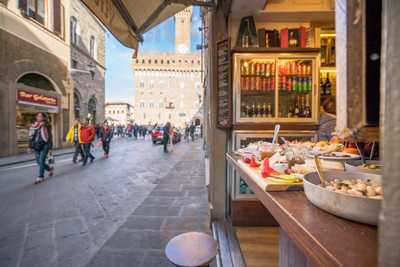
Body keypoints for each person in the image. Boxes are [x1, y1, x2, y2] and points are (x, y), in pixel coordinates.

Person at [28, 112, 53, 184]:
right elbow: (31, 137)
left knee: (41, 161)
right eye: (38, 116)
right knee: (38, 162)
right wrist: (29, 146)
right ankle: (50, 169)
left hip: (44, 145)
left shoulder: (47, 125)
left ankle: (40, 176)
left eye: (40, 116)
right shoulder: (34, 126)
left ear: (44, 117)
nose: (38, 117)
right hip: (36, 146)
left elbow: (50, 137)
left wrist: (50, 147)